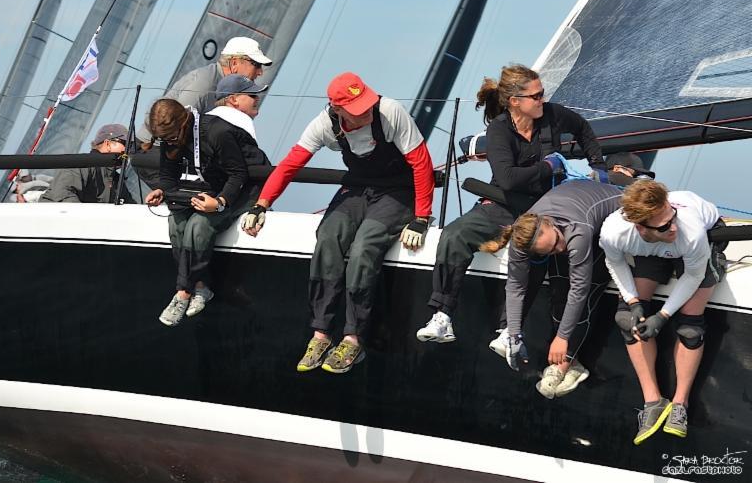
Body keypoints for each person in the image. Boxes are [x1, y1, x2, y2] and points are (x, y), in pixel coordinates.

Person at [241, 72, 434, 374]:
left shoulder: (390, 111)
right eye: (358, 109)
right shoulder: (324, 125)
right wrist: (261, 205)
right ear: (338, 109)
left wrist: (422, 217)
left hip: (398, 191)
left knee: (364, 246)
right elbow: (291, 164)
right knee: (328, 236)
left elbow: (421, 163)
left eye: (367, 104)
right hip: (357, 188)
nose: (367, 111)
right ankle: (321, 333)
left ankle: (353, 338)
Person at [416, 64, 606, 346]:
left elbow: (582, 128)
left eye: (542, 94)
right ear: (515, 101)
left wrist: (598, 165)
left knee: (534, 251)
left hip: (543, 208)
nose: (543, 99)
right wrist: (547, 166)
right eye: (537, 96)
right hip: (502, 204)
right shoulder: (499, 130)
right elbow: (507, 179)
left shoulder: (552, 115)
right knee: (454, 234)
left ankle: (509, 331)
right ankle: (443, 314)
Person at [598, 180, 725, 444]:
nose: (673, 227)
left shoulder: (689, 230)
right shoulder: (613, 232)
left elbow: (692, 277)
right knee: (626, 320)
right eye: (665, 225)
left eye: (672, 217)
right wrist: (633, 302)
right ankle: (653, 401)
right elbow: (615, 262)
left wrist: (663, 316)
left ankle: (680, 404)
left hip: (703, 243)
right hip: (655, 248)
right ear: (640, 228)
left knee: (690, 326)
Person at [145, 74, 271, 327]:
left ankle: (183, 292)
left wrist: (221, 202)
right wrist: (163, 191)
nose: (168, 144)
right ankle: (201, 286)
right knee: (176, 221)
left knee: (199, 225)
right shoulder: (172, 138)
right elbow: (168, 176)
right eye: (164, 140)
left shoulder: (218, 132)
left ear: (182, 126)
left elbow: (239, 174)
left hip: (245, 188)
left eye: (170, 138)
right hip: (214, 184)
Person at [482, 180, 622, 398]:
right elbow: (516, 286)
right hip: (568, 215)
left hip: (611, 217)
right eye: (551, 250)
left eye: (556, 242)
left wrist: (562, 337)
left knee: (586, 285)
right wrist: (513, 334)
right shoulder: (522, 238)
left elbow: (579, 289)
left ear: (549, 224)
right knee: (558, 286)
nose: (560, 248)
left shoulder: (576, 232)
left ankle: (567, 363)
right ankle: (571, 362)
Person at [137, 37, 272, 145]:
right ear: (235, 63)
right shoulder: (206, 85)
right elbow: (174, 126)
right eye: (256, 65)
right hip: (153, 149)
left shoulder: (225, 86)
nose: (260, 72)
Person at [40, 124, 136, 204]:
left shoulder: (116, 181)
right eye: (126, 144)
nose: (128, 151)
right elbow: (63, 194)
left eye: (131, 146)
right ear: (108, 144)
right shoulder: (80, 164)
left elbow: (131, 208)